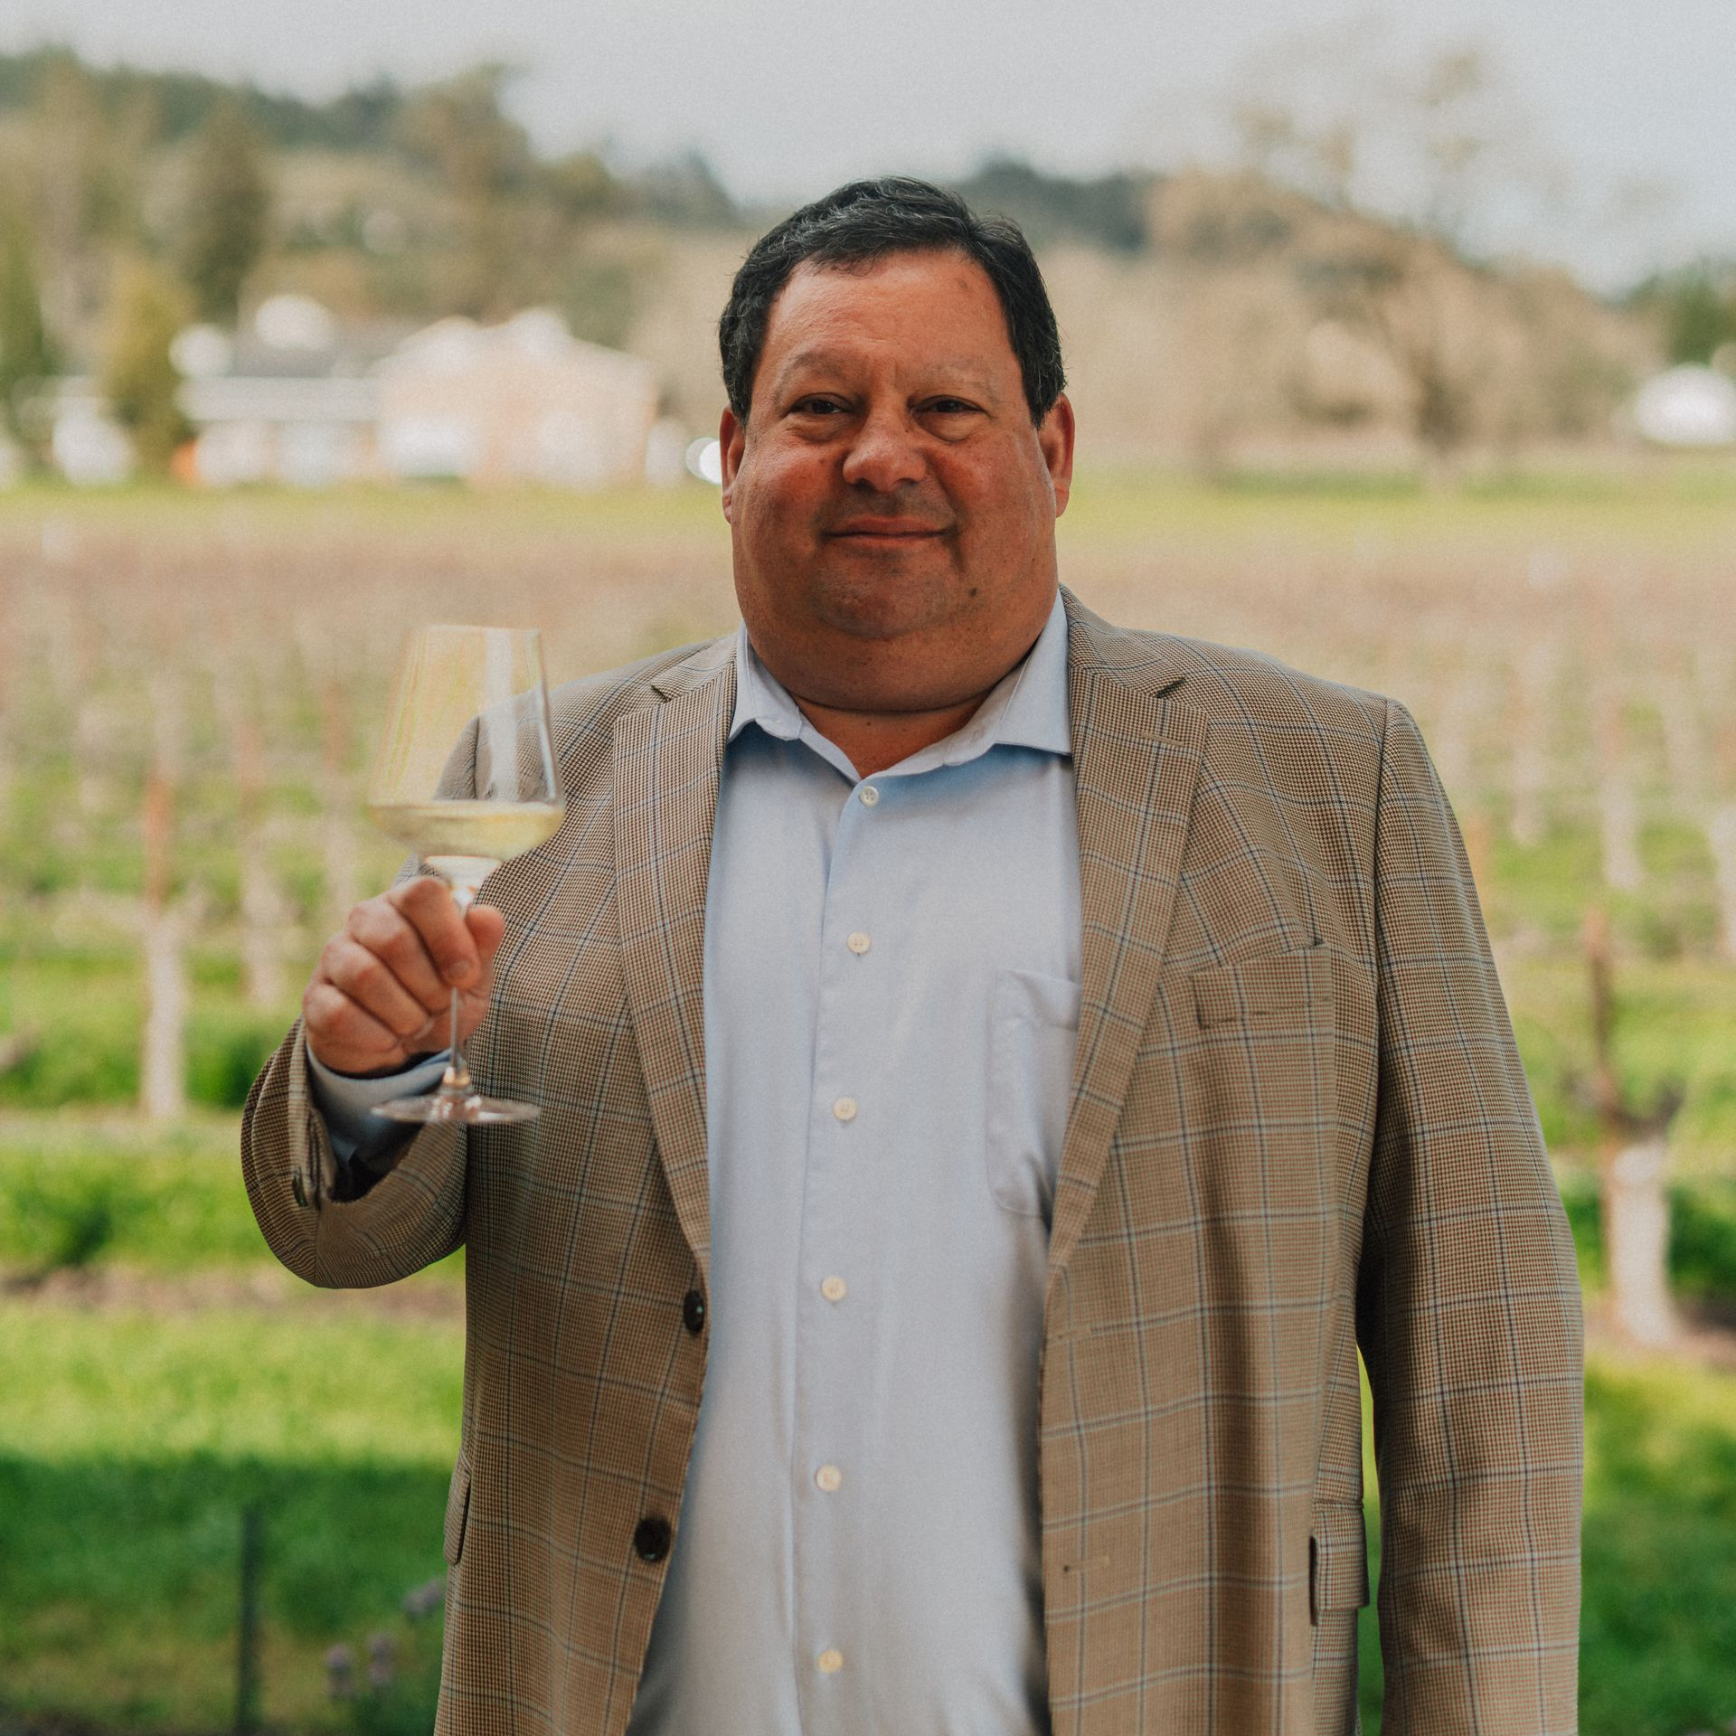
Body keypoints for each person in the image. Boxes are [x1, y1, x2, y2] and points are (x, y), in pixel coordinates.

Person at [243, 178, 1583, 1736]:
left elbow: (1482, 1356)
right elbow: (346, 1235)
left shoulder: (1325, 783)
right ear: (734, 457)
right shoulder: (545, 776)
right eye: (821, 406)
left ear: (1055, 453)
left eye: (947, 403)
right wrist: (366, 1077)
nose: (884, 454)